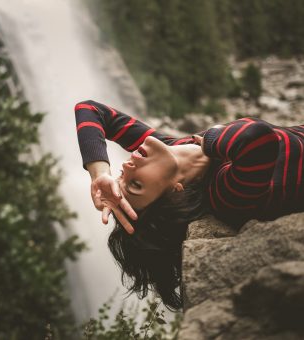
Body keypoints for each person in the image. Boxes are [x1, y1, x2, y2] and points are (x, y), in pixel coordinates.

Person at [74, 99, 304, 310]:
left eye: (120, 179)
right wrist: (212, 139)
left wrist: (99, 174)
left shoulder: (175, 147)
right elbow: (256, 139)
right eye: (135, 185)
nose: (124, 169)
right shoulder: (223, 192)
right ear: (175, 192)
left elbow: (90, 109)